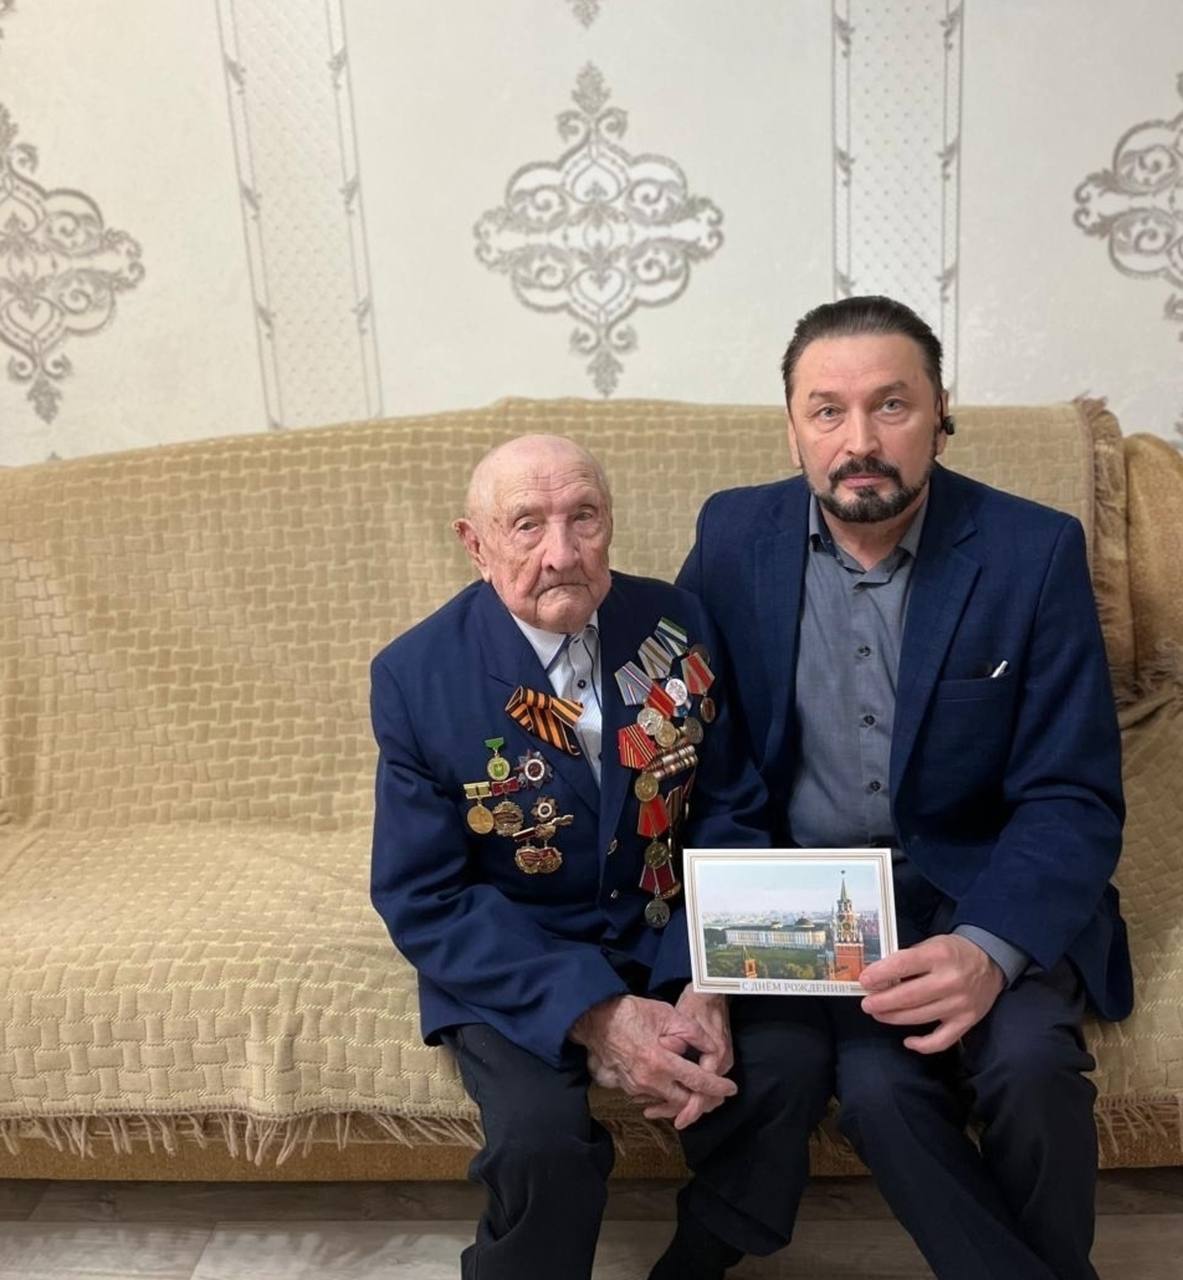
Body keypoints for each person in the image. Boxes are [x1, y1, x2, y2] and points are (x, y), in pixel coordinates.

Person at [677, 295, 1132, 1280]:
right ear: (791, 426)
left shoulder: (1031, 551)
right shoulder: (731, 537)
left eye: (891, 405)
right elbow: (698, 754)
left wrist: (988, 948)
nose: (859, 441)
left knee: (1031, 1065)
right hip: (819, 903)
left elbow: (1071, 793)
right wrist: (713, 935)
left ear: (939, 413)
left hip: (984, 881)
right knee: (880, 1091)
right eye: (826, 410)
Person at [369, 434, 832, 1280]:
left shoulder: (677, 623)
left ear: (609, 521)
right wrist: (596, 1014)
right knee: (539, 1143)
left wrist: (708, 976)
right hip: (521, 952)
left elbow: (730, 810)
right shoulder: (416, 675)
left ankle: (696, 1262)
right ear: (474, 544)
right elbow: (423, 898)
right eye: (526, 525)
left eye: (583, 517)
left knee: (789, 1067)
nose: (561, 552)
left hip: (667, 928)